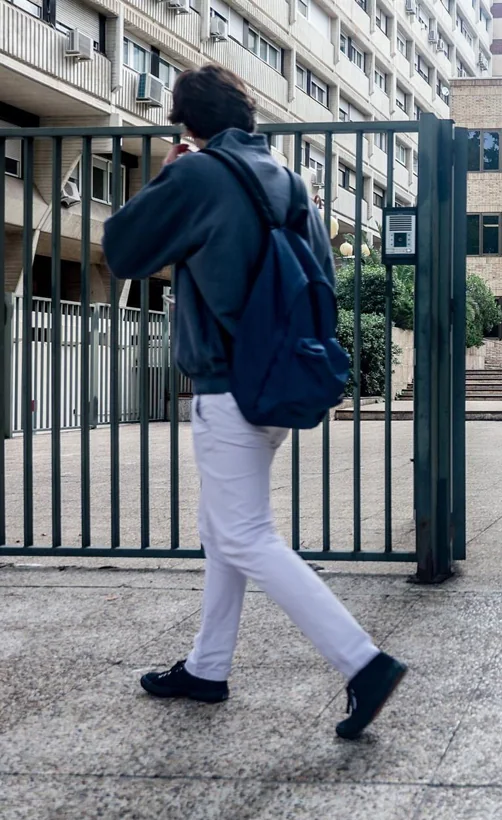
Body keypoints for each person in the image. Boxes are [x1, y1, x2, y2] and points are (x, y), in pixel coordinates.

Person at [102, 65, 405, 741]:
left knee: (244, 535)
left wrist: (170, 171)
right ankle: (208, 668)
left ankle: (363, 662)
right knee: (223, 533)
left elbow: (122, 249)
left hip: (224, 385)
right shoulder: (290, 180)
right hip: (278, 379)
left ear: (187, 122)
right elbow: (320, 280)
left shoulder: (198, 174)